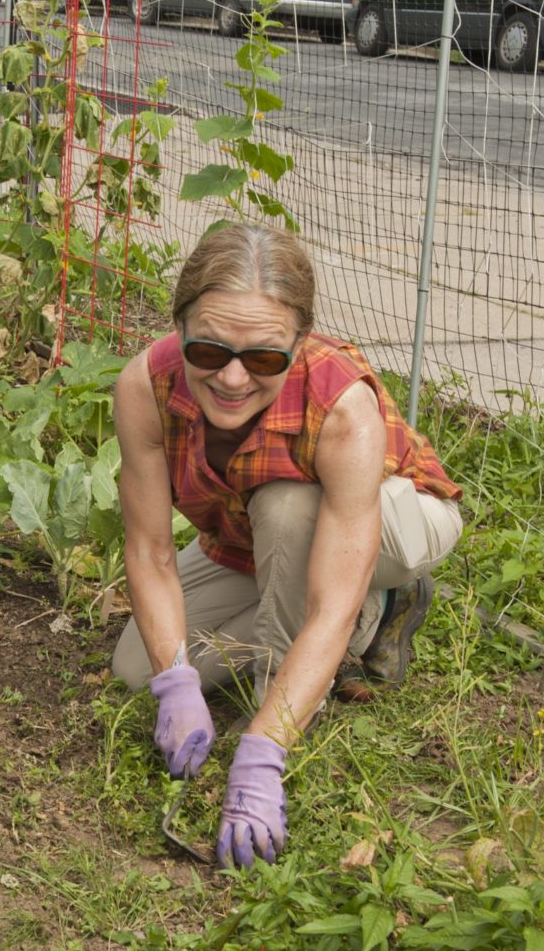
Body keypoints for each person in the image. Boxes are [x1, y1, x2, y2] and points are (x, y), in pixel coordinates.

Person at [111, 224, 462, 869]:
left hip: (395, 524)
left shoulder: (340, 406)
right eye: (210, 351)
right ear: (180, 327)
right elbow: (150, 554)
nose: (234, 378)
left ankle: (335, 649)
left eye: (265, 358)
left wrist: (262, 750)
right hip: (250, 534)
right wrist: (176, 681)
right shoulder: (146, 388)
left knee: (288, 503)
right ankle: (351, 621)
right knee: (138, 668)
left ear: (299, 344)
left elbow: (328, 603)